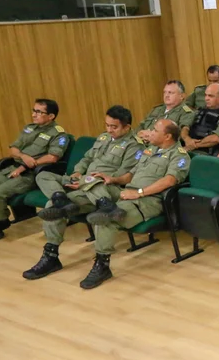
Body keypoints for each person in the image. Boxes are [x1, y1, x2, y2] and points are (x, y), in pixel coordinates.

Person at [23, 105, 143, 278]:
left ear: (127, 127)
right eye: (107, 125)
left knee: (76, 192)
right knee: (44, 178)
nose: (109, 130)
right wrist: (77, 173)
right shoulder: (103, 137)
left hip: (106, 187)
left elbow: (124, 175)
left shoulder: (134, 146)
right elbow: (86, 158)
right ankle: (52, 253)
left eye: (114, 127)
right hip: (84, 182)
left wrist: (85, 181)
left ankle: (97, 260)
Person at [75, 119, 190, 289]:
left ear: (167, 136)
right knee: (90, 179)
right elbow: (130, 176)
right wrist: (112, 179)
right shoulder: (150, 150)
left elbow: (169, 181)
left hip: (147, 200)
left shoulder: (179, 155)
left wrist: (138, 193)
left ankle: (102, 265)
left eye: (155, 130)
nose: (150, 131)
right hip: (126, 192)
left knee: (105, 219)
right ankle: (106, 203)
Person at [180, 83, 219, 155]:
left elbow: (217, 138)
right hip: (189, 147)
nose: (206, 98)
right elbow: (185, 126)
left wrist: (194, 145)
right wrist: (187, 139)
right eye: (206, 95)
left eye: (211, 96)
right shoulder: (201, 109)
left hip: (207, 153)